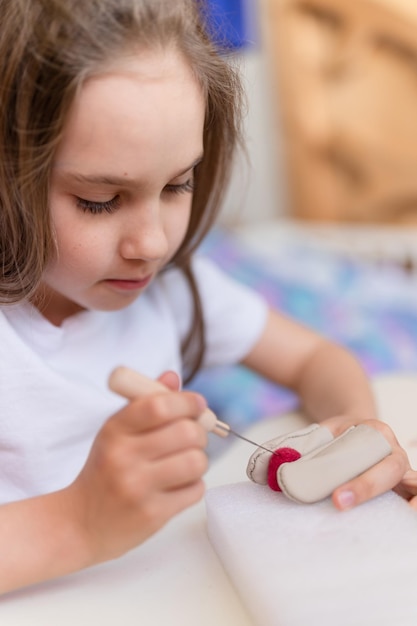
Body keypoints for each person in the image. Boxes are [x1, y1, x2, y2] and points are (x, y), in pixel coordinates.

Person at [0, 0, 416, 596]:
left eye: (177, 185)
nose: (152, 243)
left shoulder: (173, 289)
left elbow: (314, 359)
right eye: (100, 200)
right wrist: (79, 521)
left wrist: (347, 422)